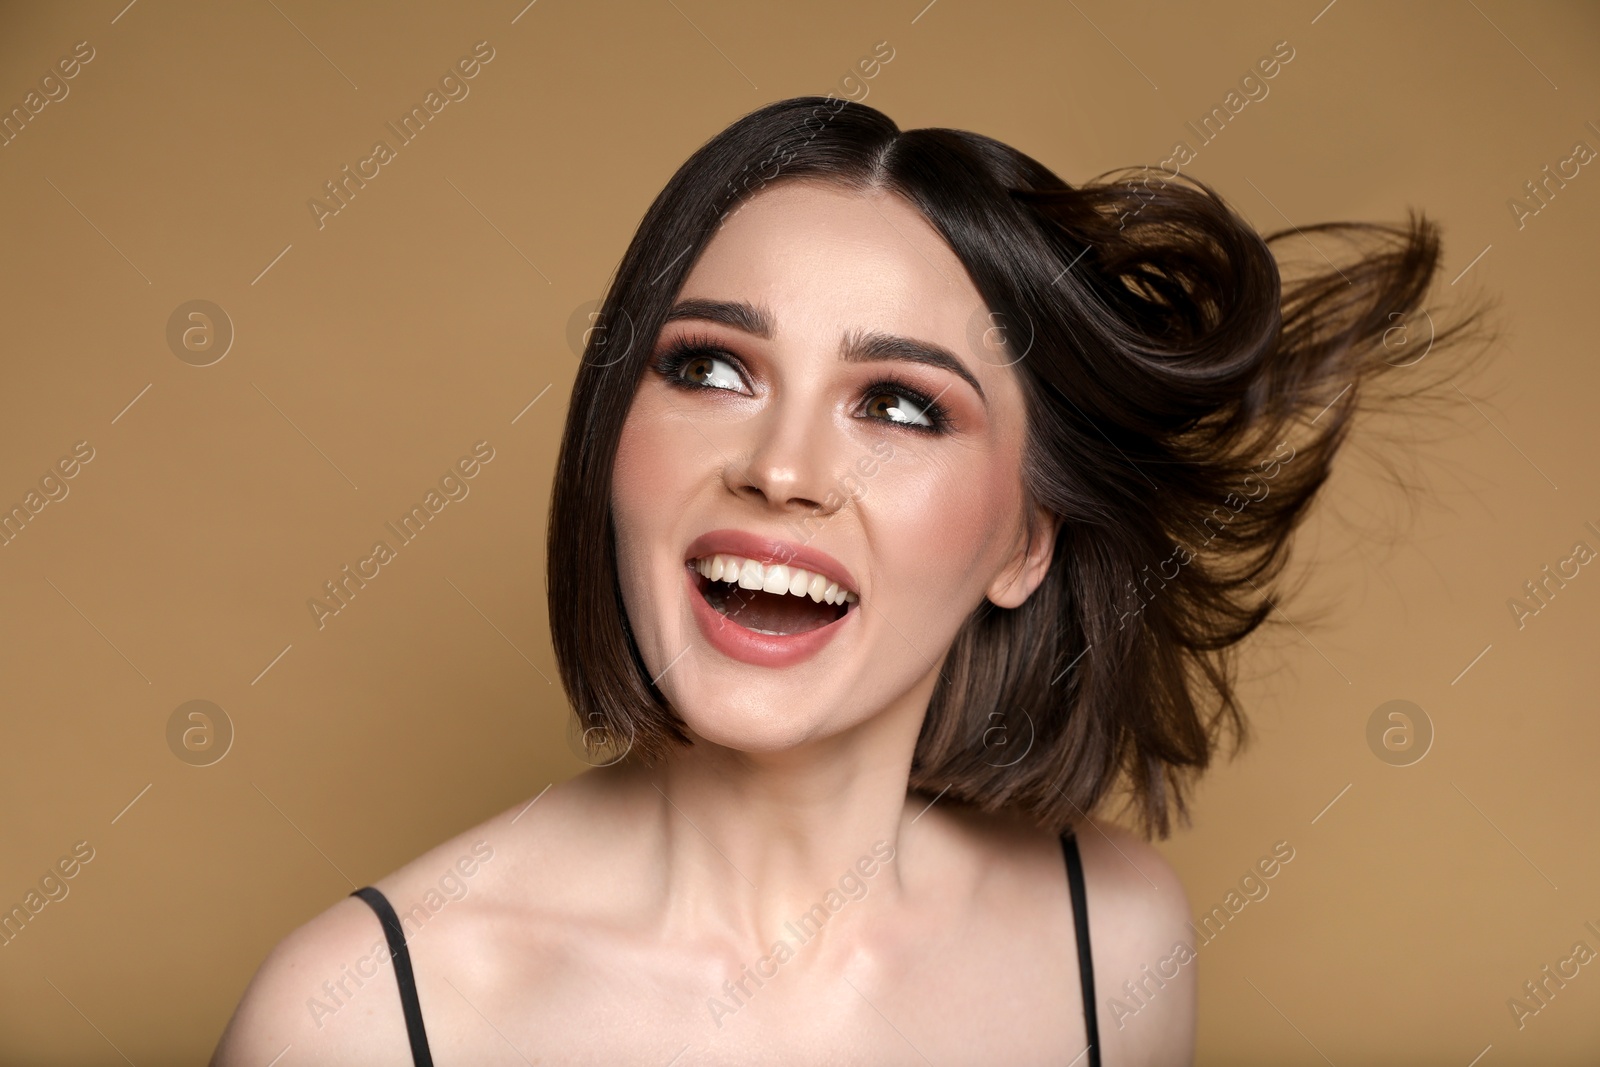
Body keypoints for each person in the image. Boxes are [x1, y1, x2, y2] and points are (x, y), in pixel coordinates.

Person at [212, 95, 1483, 1065]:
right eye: (711, 369)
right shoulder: (365, 1016)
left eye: (898, 403)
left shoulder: (1118, 939)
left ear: (1025, 540)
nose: (781, 467)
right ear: (611, 441)